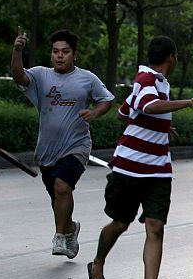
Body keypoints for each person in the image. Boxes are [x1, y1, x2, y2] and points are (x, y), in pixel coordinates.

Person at [86, 36, 193, 279]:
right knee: (119, 223)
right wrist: (191, 102)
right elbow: (148, 106)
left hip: (158, 169)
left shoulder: (155, 83)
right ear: (172, 58)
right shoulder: (147, 78)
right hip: (129, 167)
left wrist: (159, 128)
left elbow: (124, 114)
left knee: (155, 226)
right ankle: (97, 263)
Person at [11, 29, 115, 259]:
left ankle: (59, 236)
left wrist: (94, 113)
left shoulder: (87, 78)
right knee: (58, 198)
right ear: (51, 55)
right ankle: (69, 228)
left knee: (62, 187)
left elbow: (107, 100)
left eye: (65, 52)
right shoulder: (40, 75)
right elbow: (19, 77)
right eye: (56, 52)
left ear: (74, 54)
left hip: (76, 146)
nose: (60, 56)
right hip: (47, 150)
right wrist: (17, 50)